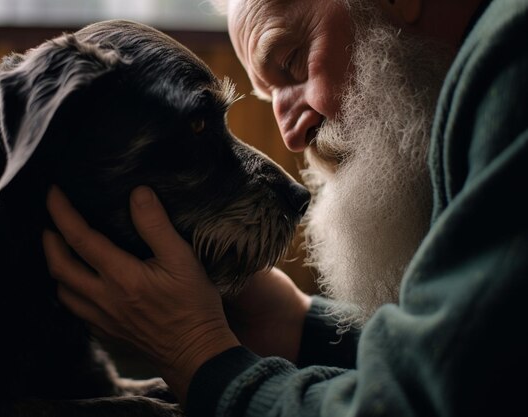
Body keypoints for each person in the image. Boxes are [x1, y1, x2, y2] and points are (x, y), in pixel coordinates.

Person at [42, 0, 528, 415]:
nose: (289, 135)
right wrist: (293, 321)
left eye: (293, 62)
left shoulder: (513, 63)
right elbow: (482, 363)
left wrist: (198, 354)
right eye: (269, 95)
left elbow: (425, 404)